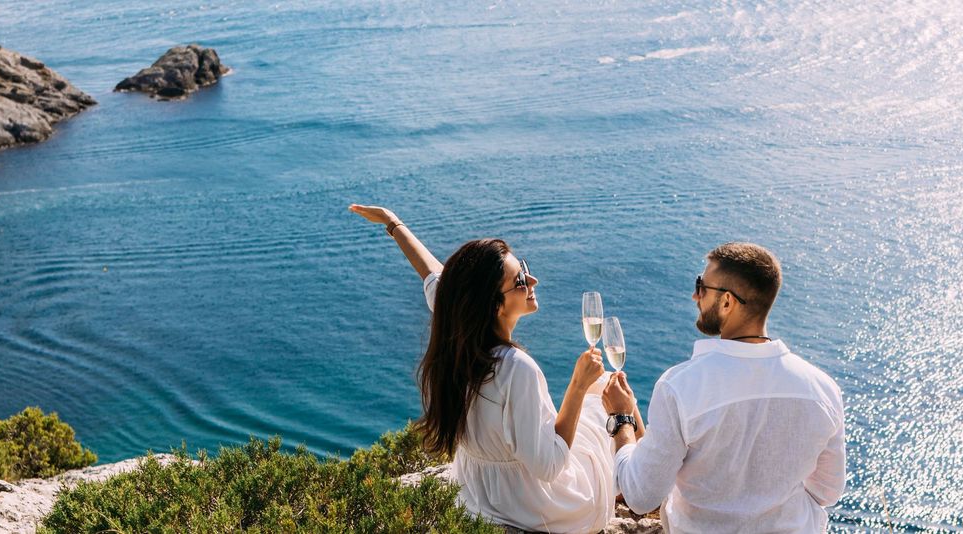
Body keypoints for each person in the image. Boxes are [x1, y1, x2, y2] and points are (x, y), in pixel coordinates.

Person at [349, 204, 623, 533]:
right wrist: (577, 386)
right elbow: (549, 466)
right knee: (610, 397)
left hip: (478, 496)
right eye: (520, 280)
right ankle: (645, 488)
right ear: (495, 305)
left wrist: (393, 223)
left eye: (524, 268)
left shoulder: (457, 330)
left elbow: (436, 277)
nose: (533, 279)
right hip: (534, 506)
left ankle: (644, 480)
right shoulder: (517, 369)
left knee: (604, 392)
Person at [601, 242, 846, 533]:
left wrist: (622, 419)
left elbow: (640, 496)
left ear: (727, 302)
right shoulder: (822, 389)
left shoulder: (681, 386)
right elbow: (827, 492)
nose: (695, 295)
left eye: (701, 287)